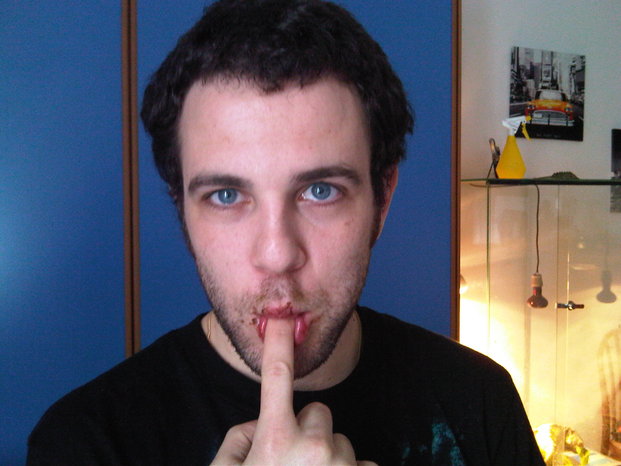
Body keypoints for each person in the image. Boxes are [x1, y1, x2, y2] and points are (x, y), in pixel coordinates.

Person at [27, 0, 545, 464]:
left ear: (382, 198)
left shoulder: (481, 401)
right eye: (226, 195)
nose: (277, 254)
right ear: (181, 209)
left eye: (320, 190)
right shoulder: (82, 443)